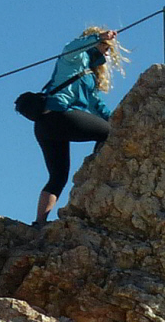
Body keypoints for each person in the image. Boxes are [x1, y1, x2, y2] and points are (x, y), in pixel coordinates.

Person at [33, 26, 128, 226]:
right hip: (59, 116)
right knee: (107, 133)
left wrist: (115, 118)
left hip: (46, 125)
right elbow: (71, 47)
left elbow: (95, 104)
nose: (107, 51)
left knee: (58, 176)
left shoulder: (88, 75)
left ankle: (39, 223)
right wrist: (98, 37)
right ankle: (97, 173)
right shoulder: (75, 59)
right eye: (106, 47)